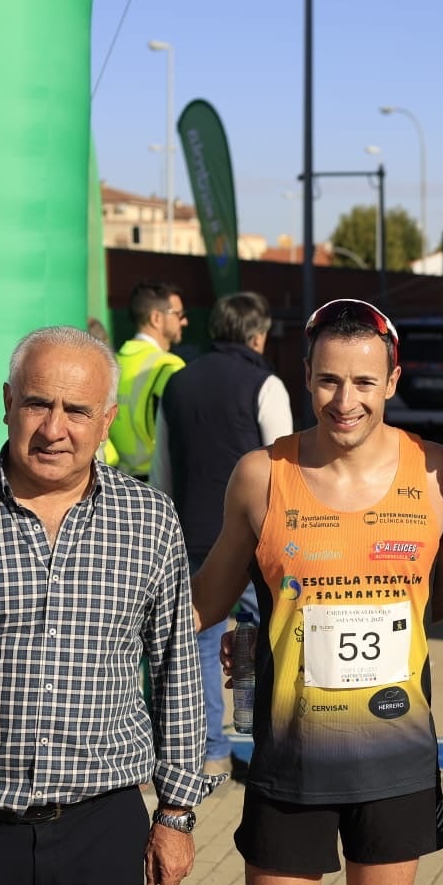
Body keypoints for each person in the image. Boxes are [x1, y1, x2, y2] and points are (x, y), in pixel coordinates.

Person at [0, 326, 214, 885]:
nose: (54, 429)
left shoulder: (150, 521)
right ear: (8, 402)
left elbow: (176, 672)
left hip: (101, 827)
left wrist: (176, 813)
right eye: (37, 403)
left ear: (106, 421)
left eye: (77, 410)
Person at [192, 298, 443, 885]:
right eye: (329, 380)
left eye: (365, 382)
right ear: (306, 377)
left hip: (395, 757)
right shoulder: (261, 476)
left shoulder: (437, 472)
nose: (346, 400)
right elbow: (203, 605)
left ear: (392, 382)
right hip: (292, 761)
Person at [151, 292, 293, 777]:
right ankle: (270, 744)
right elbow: (283, 469)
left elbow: (162, 468)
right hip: (254, 541)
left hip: (191, 535)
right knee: (271, 636)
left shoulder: (178, 383)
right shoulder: (265, 384)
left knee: (200, 648)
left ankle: (211, 753)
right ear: (258, 336)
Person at [109, 280, 188, 479]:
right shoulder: (168, 366)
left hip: (119, 480)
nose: (184, 321)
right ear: (156, 318)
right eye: (179, 314)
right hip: (158, 483)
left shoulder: (113, 363)